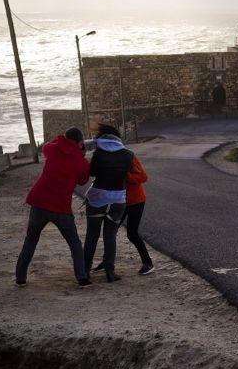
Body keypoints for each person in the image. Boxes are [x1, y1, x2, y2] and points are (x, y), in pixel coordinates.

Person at [15, 127, 91, 286]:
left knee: (31, 239)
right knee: (74, 243)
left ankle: (20, 277)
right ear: (80, 143)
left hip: (39, 202)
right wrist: (81, 154)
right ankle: (82, 278)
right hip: (61, 207)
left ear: (65, 139)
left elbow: (46, 145)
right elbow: (83, 181)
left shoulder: (53, 149)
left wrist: (61, 141)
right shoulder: (81, 162)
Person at [83, 123, 134, 282]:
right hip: (118, 200)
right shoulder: (128, 154)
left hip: (98, 198)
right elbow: (128, 174)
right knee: (110, 237)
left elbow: (92, 173)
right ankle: (110, 273)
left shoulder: (98, 154)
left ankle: (85, 271)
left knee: (92, 236)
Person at [93, 153, 154, 275]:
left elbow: (143, 177)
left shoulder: (128, 156)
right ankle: (107, 262)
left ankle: (148, 263)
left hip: (135, 200)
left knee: (132, 233)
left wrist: (127, 176)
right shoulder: (107, 158)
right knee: (111, 232)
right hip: (119, 201)